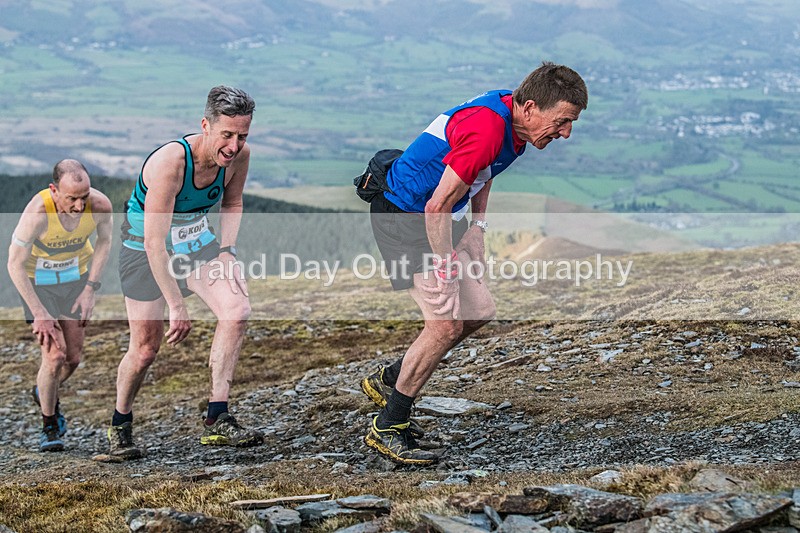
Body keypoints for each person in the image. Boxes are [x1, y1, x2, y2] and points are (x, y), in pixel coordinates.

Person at [360, 61, 588, 465]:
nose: (566, 133)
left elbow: (485, 170)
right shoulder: (488, 128)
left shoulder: (515, 123)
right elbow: (436, 205)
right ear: (532, 107)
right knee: (444, 323)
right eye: (563, 121)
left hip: (437, 214)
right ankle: (389, 426)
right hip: (404, 216)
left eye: (571, 123)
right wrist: (446, 268)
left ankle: (395, 378)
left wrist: (478, 227)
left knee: (479, 310)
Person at [109, 85, 261, 460]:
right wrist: (176, 305)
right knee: (145, 350)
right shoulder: (170, 163)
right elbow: (153, 244)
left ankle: (218, 417)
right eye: (226, 134)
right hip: (145, 251)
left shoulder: (239, 156)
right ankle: (120, 423)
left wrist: (226, 251)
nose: (233, 145)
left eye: (242, 136)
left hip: (195, 243)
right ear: (205, 125)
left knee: (237, 311)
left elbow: (233, 201)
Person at [7, 160, 113, 452]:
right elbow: (13, 264)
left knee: (74, 358)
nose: (80, 206)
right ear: (54, 190)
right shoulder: (38, 212)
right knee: (55, 356)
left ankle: (42, 391)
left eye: (84, 197)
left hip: (75, 279)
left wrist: (91, 288)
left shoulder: (100, 205)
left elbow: (105, 241)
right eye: (72, 199)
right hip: (38, 283)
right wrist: (39, 313)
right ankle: (49, 424)